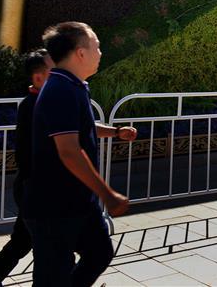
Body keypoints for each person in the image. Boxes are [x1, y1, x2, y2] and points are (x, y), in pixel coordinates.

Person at [24, 22, 137, 286]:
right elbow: (69, 152)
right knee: (53, 277)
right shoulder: (60, 90)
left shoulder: (74, 86)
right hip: (53, 206)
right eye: (96, 46)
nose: (101, 52)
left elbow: (81, 127)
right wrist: (107, 194)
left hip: (76, 202)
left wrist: (115, 132)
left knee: (99, 253)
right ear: (80, 53)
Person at [0, 50, 52, 287]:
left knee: (22, 242)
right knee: (49, 249)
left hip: (34, 187)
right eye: (55, 70)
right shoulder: (35, 106)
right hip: (36, 187)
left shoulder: (41, 103)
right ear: (39, 77)